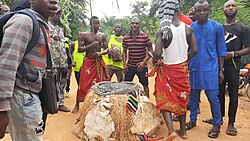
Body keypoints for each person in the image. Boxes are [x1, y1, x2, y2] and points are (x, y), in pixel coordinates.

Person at [0, 0, 59, 140]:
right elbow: (6, 66)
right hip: (22, 98)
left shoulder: (41, 24)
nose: (55, 0)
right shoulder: (24, 22)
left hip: (30, 95)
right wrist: (2, 110)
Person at [148, 0, 197, 140]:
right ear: (178, 11)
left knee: (164, 99)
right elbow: (195, 49)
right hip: (182, 70)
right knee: (182, 99)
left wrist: (155, 59)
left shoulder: (163, 31)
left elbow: (157, 54)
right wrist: (185, 59)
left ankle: (171, 131)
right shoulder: (188, 28)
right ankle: (183, 131)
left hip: (167, 71)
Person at [203, 0, 250, 136]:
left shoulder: (243, 28)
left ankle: (231, 123)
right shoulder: (218, 28)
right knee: (218, 93)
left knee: (233, 94)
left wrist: (234, 54)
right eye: (227, 6)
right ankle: (218, 119)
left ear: (237, 9)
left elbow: (248, 48)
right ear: (223, 9)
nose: (230, 8)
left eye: (233, 5)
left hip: (233, 66)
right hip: (217, 65)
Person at [185, 0, 228, 138]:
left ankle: (216, 122)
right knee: (193, 96)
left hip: (211, 68)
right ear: (194, 12)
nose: (202, 12)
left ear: (209, 11)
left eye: (204, 10)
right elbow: (187, 49)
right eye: (199, 10)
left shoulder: (217, 27)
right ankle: (192, 120)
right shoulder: (190, 28)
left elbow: (221, 50)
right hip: (194, 68)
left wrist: (220, 70)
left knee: (213, 97)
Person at [71, 16, 109, 114]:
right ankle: (77, 104)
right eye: (95, 23)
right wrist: (90, 46)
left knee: (98, 84)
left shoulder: (102, 36)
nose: (97, 25)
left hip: (98, 62)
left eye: (98, 23)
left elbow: (107, 49)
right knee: (83, 84)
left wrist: (100, 53)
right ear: (90, 24)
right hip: (88, 62)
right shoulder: (84, 35)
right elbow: (79, 49)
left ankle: (97, 104)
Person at [122, 17, 153, 98]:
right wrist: (124, 64)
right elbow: (124, 51)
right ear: (130, 24)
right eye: (133, 23)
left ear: (139, 25)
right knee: (126, 86)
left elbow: (150, 51)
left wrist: (144, 62)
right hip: (130, 66)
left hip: (142, 67)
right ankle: (126, 103)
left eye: (136, 23)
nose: (134, 25)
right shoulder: (126, 38)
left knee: (145, 85)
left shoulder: (145, 37)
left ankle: (148, 103)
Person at [49, 9, 70, 112]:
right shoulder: (46, 26)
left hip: (62, 61)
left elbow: (64, 46)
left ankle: (61, 103)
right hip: (51, 62)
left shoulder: (60, 29)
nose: (58, 16)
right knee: (52, 83)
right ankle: (52, 103)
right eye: (57, 14)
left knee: (63, 81)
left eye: (60, 15)